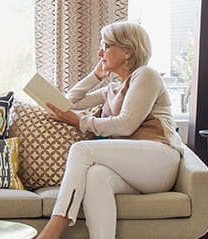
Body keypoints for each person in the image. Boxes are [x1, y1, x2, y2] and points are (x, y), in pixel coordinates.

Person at [37, 21, 183, 239]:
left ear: (127, 52)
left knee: (82, 150)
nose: (99, 52)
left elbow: (126, 124)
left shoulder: (146, 75)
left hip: (160, 161)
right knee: (97, 176)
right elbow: (68, 103)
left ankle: (52, 230)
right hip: (135, 170)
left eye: (105, 46)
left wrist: (80, 122)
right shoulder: (112, 88)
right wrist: (95, 76)